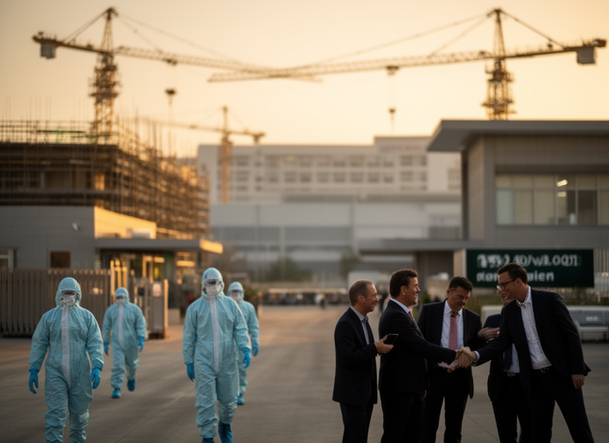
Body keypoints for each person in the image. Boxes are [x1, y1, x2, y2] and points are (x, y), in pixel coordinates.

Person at [463, 262, 595, 443]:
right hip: (535, 381)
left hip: (562, 376)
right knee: (539, 434)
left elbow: (571, 335)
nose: (501, 289)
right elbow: (501, 342)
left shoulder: (549, 300)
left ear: (518, 281)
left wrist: (577, 370)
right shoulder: (509, 311)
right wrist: (475, 355)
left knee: (579, 430)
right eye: (499, 285)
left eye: (504, 284)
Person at [378, 269, 460, 443]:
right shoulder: (395, 315)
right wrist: (455, 354)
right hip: (399, 389)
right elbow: (420, 345)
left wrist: (423, 382)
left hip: (411, 387)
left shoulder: (403, 312)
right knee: (395, 436)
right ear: (403, 289)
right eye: (415, 286)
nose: (418, 289)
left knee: (413, 436)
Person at [28, 277, 104, 443]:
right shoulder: (49, 317)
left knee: (80, 415)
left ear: (78, 294)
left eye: (72, 292)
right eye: (66, 292)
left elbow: (95, 342)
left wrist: (97, 366)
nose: (69, 295)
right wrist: (34, 368)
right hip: (56, 371)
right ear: (59, 294)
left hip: (80, 372)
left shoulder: (87, 317)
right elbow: (39, 343)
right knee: (56, 413)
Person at [183, 267, 251, 443]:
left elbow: (240, 328)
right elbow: (189, 337)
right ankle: (207, 435)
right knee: (205, 401)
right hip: (203, 361)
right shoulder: (194, 308)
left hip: (227, 360)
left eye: (216, 282)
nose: (213, 285)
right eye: (209, 282)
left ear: (221, 283)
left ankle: (225, 423)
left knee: (229, 400)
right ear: (203, 284)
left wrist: (245, 348)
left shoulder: (230, 305)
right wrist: (189, 361)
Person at [417, 276, 485, 443]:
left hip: (459, 379)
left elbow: (477, 349)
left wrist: (477, 345)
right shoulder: (430, 311)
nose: (463, 302)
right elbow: (420, 345)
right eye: (460, 297)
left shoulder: (473, 318)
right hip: (434, 377)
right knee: (427, 428)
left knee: (454, 431)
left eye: (467, 298)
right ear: (449, 292)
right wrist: (421, 379)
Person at [333, 279, 394, 443]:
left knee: (358, 437)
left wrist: (379, 347)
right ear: (361, 298)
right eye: (373, 295)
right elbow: (348, 358)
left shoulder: (363, 321)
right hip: (353, 394)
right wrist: (375, 348)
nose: (377, 299)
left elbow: (364, 352)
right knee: (355, 437)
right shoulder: (346, 324)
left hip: (365, 393)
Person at [482, 289, 531, 443]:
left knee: (530, 432)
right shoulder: (493, 320)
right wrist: (480, 336)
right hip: (501, 384)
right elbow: (484, 351)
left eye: (506, 289)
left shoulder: (528, 318)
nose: (502, 293)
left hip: (525, 382)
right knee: (506, 434)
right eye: (500, 291)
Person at [102, 286, 147, 399]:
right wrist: (106, 341)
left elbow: (140, 324)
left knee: (132, 364)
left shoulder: (134, 309)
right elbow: (106, 326)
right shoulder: (111, 310)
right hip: (117, 342)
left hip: (131, 342)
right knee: (118, 365)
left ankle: (131, 377)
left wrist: (141, 337)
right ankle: (116, 387)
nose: (120, 299)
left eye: (122, 297)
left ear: (127, 297)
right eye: (118, 297)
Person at [227, 281, 260, 406]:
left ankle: (240, 392)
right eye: (233, 291)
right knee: (226, 371)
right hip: (226, 344)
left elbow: (253, 326)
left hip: (242, 344)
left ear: (242, 293)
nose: (236, 293)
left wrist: (255, 341)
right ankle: (228, 394)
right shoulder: (224, 306)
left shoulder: (248, 307)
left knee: (241, 369)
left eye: (238, 291)